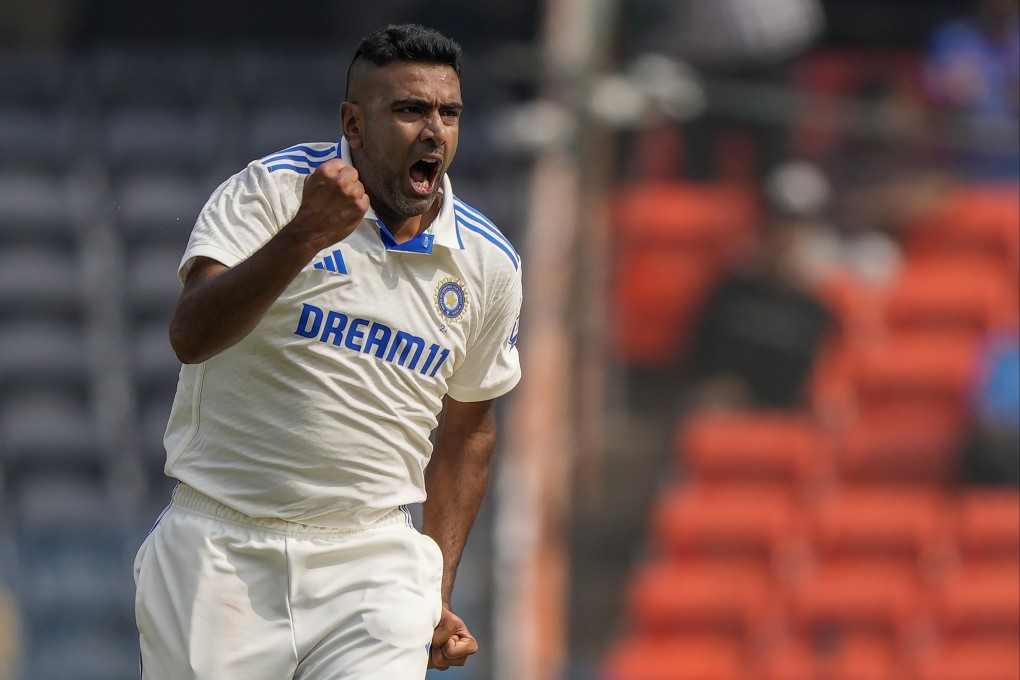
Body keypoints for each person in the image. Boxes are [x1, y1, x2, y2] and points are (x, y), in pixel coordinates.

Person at [133, 24, 523, 680]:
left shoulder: (489, 262)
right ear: (353, 123)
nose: (434, 132)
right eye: (408, 110)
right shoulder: (271, 193)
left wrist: (437, 591)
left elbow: (469, 430)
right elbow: (190, 335)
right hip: (221, 546)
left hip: (374, 562)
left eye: (448, 113)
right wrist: (304, 235)